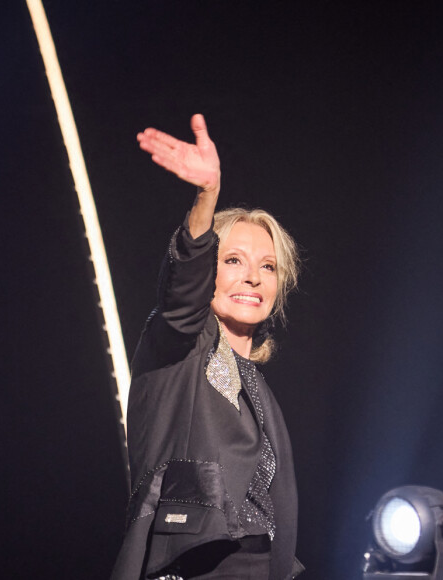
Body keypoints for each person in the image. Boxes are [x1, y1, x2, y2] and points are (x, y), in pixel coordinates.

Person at [110, 115, 304, 580]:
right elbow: (181, 293)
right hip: (194, 563)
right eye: (233, 260)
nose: (253, 277)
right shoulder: (180, 342)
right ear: (207, 274)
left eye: (268, 267)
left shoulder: (258, 389)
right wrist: (207, 195)